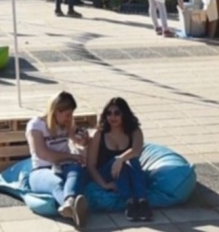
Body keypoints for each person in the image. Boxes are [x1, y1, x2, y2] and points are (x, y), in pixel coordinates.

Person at [26, 92, 89, 229]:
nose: (70, 118)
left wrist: (83, 140)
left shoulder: (67, 123)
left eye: (71, 114)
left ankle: (69, 204)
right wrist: (70, 156)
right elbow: (43, 154)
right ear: (56, 111)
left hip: (65, 165)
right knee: (57, 182)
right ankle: (73, 207)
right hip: (41, 170)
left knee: (76, 170)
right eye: (67, 115)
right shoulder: (36, 126)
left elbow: (77, 141)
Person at [86, 98, 152, 222]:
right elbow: (91, 165)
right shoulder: (99, 134)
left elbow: (136, 150)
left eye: (117, 113)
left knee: (132, 160)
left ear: (124, 114)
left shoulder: (134, 131)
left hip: (129, 171)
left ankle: (142, 202)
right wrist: (104, 184)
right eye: (109, 113)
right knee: (122, 164)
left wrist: (120, 159)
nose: (112, 117)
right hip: (107, 173)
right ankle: (130, 202)